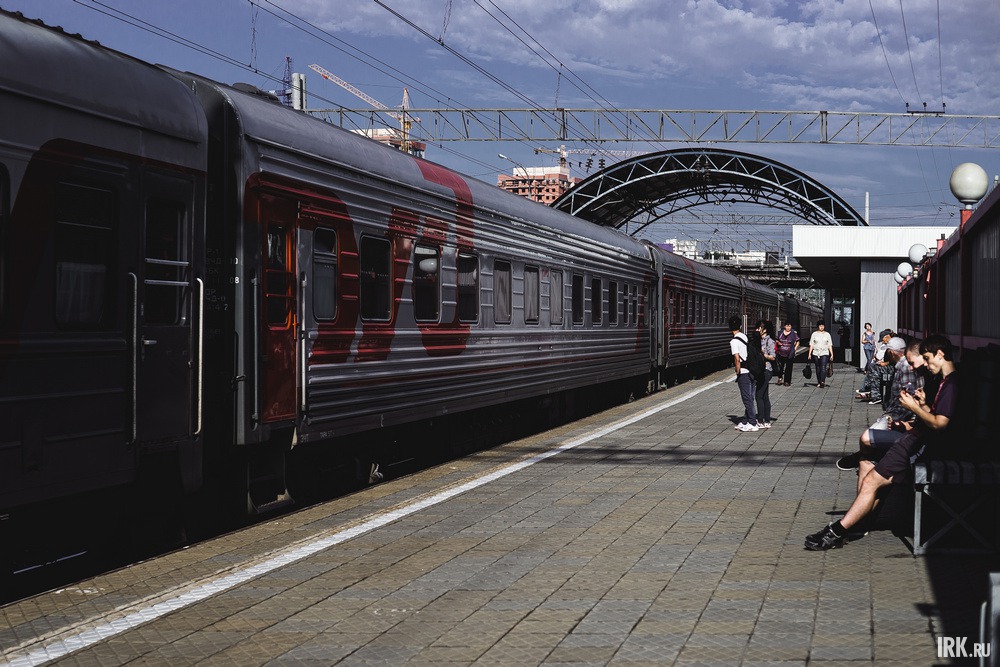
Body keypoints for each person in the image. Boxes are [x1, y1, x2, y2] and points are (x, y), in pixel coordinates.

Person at [805, 334, 960, 550]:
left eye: (927, 357)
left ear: (940, 354)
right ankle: (853, 524)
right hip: (915, 441)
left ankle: (836, 532)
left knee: (871, 480)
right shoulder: (944, 381)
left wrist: (914, 408)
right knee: (869, 468)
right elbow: (934, 419)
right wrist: (923, 405)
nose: (926, 363)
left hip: (916, 446)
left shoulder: (950, 384)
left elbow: (940, 424)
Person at [837, 339, 926, 471]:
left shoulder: (905, 366)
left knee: (871, 436)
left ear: (891, 352)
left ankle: (865, 458)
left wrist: (897, 417)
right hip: (901, 414)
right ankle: (866, 458)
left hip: (900, 414)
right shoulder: (905, 365)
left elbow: (909, 394)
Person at [729, 315, 759, 432]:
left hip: (744, 372)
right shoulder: (745, 337)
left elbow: (737, 358)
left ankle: (753, 422)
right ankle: (746, 421)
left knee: (747, 398)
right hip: (752, 370)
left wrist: (738, 372)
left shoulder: (734, 341)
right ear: (741, 326)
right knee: (750, 397)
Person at [855, 336, 906, 404]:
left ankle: (871, 391)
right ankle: (871, 391)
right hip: (891, 368)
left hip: (893, 369)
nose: (882, 341)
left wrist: (885, 363)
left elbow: (895, 362)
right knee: (874, 368)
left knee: (875, 372)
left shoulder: (897, 352)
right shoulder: (888, 348)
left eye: (883, 340)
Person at [755, 320, 776, 428]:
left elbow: (773, 357)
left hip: (767, 370)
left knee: (758, 395)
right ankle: (767, 421)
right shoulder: (758, 340)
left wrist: (763, 355)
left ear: (765, 330)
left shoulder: (770, 341)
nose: (757, 330)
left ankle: (760, 421)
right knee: (765, 396)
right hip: (761, 371)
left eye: (759, 328)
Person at [807, 320, 834, 388]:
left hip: (824, 352)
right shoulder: (814, 334)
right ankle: (819, 381)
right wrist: (809, 354)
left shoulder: (827, 334)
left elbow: (829, 345)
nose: (821, 327)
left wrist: (832, 354)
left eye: (823, 326)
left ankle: (822, 381)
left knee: (823, 367)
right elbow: (811, 344)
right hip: (816, 353)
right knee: (817, 368)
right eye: (820, 326)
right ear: (818, 326)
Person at [774, 321, 800, 386]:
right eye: (787, 326)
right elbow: (776, 339)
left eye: (789, 326)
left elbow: (798, 341)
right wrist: (778, 342)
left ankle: (787, 381)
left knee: (789, 367)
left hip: (790, 353)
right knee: (780, 367)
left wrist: (795, 349)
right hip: (780, 353)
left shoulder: (793, 333)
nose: (788, 327)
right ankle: (780, 378)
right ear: (784, 326)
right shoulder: (780, 333)